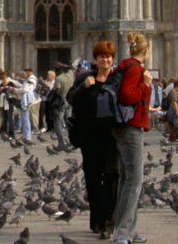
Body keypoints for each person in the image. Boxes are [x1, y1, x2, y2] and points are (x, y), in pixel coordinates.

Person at [67, 41, 118, 239]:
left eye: (108, 56)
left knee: (113, 178)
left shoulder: (117, 79)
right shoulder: (85, 77)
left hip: (113, 136)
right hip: (90, 137)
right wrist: (83, 88)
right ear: (96, 59)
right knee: (94, 179)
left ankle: (109, 221)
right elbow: (70, 99)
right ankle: (97, 220)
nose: (105, 60)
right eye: (101, 56)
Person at [110, 32, 152, 244]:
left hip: (122, 126)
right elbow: (128, 95)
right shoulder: (136, 69)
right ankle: (122, 233)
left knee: (128, 180)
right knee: (134, 180)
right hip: (130, 128)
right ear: (147, 50)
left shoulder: (124, 66)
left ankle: (127, 228)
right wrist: (145, 85)